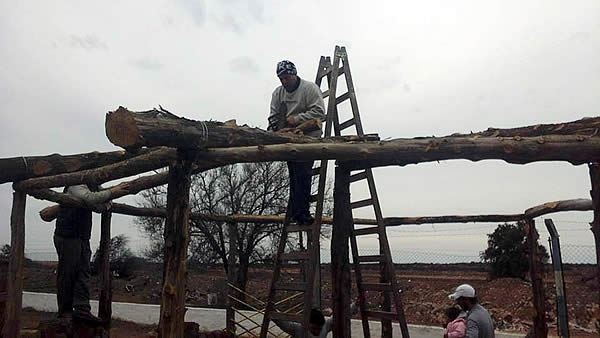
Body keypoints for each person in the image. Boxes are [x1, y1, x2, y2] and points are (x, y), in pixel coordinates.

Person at [54, 183, 129, 322]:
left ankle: (82, 309)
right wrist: (112, 192)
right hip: (68, 236)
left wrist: (106, 201)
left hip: (81, 236)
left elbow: (98, 205)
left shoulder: (93, 185)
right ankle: (65, 311)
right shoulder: (75, 184)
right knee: (68, 273)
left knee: (83, 272)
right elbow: (90, 198)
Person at [268, 60, 326, 225]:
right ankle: (296, 211)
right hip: (288, 138)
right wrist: (274, 130)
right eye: (281, 79)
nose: (284, 81)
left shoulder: (309, 89)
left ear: (294, 74)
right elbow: (273, 116)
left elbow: (320, 112)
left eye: (287, 78)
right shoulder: (278, 93)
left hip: (308, 136)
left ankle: (302, 213)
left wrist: (297, 119)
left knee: (302, 172)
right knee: (294, 174)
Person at [273, 300, 358, 337]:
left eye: (319, 329)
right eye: (314, 328)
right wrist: (272, 310)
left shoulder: (326, 326)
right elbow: (282, 322)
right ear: (306, 324)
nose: (317, 331)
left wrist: (355, 305)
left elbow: (340, 316)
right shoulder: (298, 328)